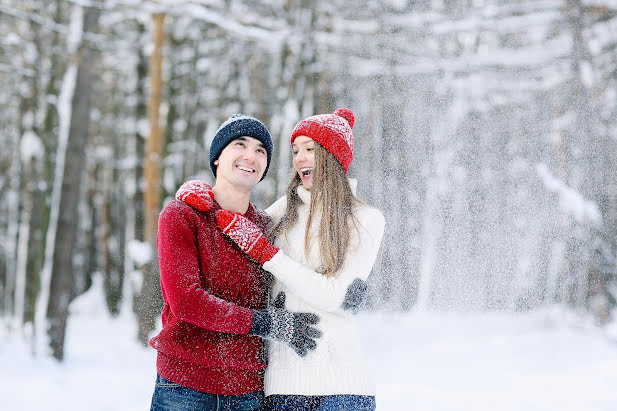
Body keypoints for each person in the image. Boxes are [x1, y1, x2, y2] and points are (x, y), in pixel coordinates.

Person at [179, 108, 385, 410]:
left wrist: (268, 255)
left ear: (334, 156)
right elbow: (235, 219)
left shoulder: (366, 219)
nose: (300, 158)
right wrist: (199, 195)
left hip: (343, 387)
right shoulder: (282, 213)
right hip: (283, 388)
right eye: (296, 150)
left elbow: (331, 296)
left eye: (311, 149)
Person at [149, 114, 322, 411]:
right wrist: (264, 323)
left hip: (248, 392)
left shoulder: (269, 229)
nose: (250, 156)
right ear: (217, 158)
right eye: (239, 144)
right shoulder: (182, 216)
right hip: (184, 388)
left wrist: (345, 288)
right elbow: (187, 301)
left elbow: (298, 282)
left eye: (260, 150)